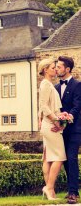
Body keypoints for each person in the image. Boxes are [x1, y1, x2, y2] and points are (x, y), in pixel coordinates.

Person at [38, 58, 66, 200]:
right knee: (60, 156)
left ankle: (50, 191)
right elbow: (44, 106)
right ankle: (49, 187)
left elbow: (43, 107)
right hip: (50, 125)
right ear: (45, 69)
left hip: (48, 123)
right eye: (53, 67)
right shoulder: (46, 85)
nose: (56, 70)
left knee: (48, 158)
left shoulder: (48, 84)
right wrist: (56, 122)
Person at [55, 56, 81, 204]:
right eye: (56, 67)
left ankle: (73, 193)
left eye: (59, 67)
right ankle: (70, 189)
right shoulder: (56, 87)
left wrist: (68, 117)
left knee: (71, 159)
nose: (57, 69)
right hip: (60, 131)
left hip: (75, 129)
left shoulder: (78, 85)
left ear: (67, 69)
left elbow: (77, 106)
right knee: (64, 161)